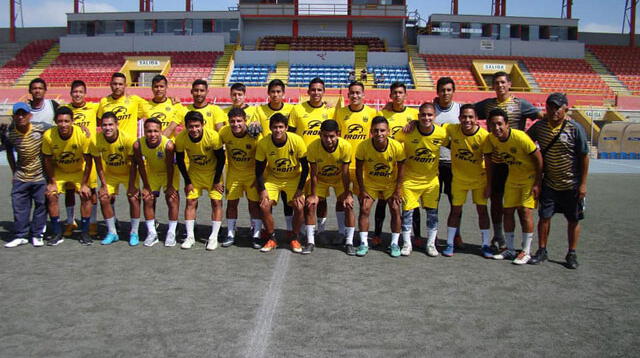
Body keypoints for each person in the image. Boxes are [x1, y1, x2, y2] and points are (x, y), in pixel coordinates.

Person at [476, 71, 542, 250]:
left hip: (518, 164)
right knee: (497, 202)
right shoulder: (488, 105)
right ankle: (499, 238)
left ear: (509, 84)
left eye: (503, 82)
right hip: (497, 162)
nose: (500, 86)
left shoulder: (520, 104)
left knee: (521, 207)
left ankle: (524, 244)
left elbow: (540, 117)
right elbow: (467, 111)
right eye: (496, 83)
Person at [527, 93, 589, 269]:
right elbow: (525, 142)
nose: (554, 111)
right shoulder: (539, 127)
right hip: (549, 183)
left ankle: (571, 253)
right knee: (544, 217)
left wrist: (583, 184)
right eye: (550, 107)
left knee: (573, 219)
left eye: (557, 107)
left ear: (565, 109)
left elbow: (584, 156)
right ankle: (542, 250)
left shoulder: (575, 128)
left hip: (572, 184)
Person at [483, 108, 543, 265]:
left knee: (524, 212)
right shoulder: (491, 139)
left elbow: (538, 158)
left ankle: (526, 251)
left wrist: (538, 183)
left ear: (507, 124)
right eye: (493, 125)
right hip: (512, 178)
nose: (497, 128)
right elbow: (489, 160)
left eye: (500, 124)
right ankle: (509, 248)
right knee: (507, 211)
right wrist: (489, 184)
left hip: (528, 178)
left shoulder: (520, 137)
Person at [394, 103, 447, 257]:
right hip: (410, 180)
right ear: (418, 117)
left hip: (431, 181)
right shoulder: (407, 131)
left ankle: (430, 244)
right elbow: (392, 142)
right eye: (423, 115)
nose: (426, 118)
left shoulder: (441, 133)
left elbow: (457, 144)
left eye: (430, 115)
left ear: (434, 117)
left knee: (432, 213)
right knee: (408, 213)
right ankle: (406, 243)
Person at [42, 107, 96, 246]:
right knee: (51, 195)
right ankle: (57, 232)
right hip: (60, 171)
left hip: (78, 170)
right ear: (55, 122)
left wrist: (84, 184)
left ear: (72, 121)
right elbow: (47, 160)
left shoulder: (82, 134)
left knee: (86, 195)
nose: (63, 124)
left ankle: (84, 232)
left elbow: (88, 162)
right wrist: (52, 181)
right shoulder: (48, 135)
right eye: (60, 121)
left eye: (67, 121)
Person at [443, 104, 492, 258]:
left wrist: (489, 184)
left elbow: (489, 163)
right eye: (464, 116)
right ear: (459, 118)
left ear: (477, 119)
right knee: (455, 211)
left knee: (482, 211)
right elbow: (434, 126)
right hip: (459, 180)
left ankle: (485, 245)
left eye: (471, 117)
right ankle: (450, 243)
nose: (467, 120)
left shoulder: (484, 137)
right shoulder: (452, 129)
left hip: (479, 179)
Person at [254, 113, 308, 253]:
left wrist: (300, 189)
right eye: (274, 127)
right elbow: (259, 170)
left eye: (280, 127)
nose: (277, 130)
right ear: (270, 128)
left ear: (286, 128)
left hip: (293, 178)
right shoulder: (264, 143)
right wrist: (263, 190)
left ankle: (295, 237)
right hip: (274, 178)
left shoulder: (297, 140)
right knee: (264, 205)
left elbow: (306, 168)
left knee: (299, 205)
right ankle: (272, 238)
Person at [289, 77, 335, 237]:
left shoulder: (330, 111)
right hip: (302, 162)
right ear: (308, 92)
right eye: (313, 90)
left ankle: (321, 229)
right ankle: (301, 228)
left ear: (324, 92)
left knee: (320, 199)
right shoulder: (297, 109)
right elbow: (291, 135)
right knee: (301, 198)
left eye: (319, 90)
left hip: (322, 162)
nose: (316, 92)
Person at [375, 82, 420, 247]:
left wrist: (416, 123)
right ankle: (378, 235)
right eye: (394, 93)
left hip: (407, 164)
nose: (397, 95)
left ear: (405, 95)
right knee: (382, 201)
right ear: (390, 95)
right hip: (386, 164)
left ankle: (417, 236)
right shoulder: (383, 113)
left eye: (400, 93)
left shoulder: (414, 115)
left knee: (409, 202)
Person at [355, 116, 405, 257]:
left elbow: (402, 168)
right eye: (376, 131)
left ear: (388, 131)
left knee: (395, 209)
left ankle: (394, 243)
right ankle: (364, 243)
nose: (379, 134)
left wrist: (398, 189)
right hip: (371, 183)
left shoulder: (396, 147)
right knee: (364, 208)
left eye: (382, 130)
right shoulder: (363, 146)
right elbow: (359, 169)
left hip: (390, 184)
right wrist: (362, 189)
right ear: (371, 131)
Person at [175, 111, 225, 250]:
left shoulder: (213, 136)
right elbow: (180, 160)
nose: (194, 130)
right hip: (195, 174)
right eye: (191, 126)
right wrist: (187, 181)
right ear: (186, 126)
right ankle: (190, 236)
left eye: (197, 126)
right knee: (190, 201)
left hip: (213, 173)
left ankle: (213, 237)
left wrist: (217, 181)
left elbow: (221, 159)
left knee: (216, 202)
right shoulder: (181, 138)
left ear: (203, 124)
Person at [251, 79, 296, 235]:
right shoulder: (259, 110)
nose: (275, 95)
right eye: (273, 92)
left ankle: (290, 229)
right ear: (268, 93)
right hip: (266, 159)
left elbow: (293, 133)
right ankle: (265, 229)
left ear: (283, 93)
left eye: (278, 92)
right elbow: (250, 121)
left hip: (286, 159)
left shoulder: (291, 109)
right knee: (264, 197)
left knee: (287, 198)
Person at [334, 81, 377, 240]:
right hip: (344, 164)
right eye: (352, 93)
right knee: (342, 200)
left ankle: (361, 235)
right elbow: (336, 137)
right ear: (348, 95)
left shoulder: (372, 113)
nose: (355, 96)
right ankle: (342, 232)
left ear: (363, 95)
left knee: (363, 202)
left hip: (362, 166)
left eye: (358, 93)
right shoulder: (340, 113)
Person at [91, 112, 141, 246]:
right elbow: (98, 164)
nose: (107, 128)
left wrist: (131, 185)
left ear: (117, 125)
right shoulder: (96, 140)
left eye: (110, 125)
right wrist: (103, 184)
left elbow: (133, 165)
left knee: (133, 197)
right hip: (110, 174)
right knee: (103, 197)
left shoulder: (128, 139)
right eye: (104, 125)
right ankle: (112, 232)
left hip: (128, 173)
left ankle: (134, 232)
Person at [304, 120, 354, 255]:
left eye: (332, 136)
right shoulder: (313, 147)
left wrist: (347, 194)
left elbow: (345, 172)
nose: (328, 139)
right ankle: (312, 239)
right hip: (321, 179)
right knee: (312, 204)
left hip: (339, 179)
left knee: (347, 205)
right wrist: (313, 195)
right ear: (320, 134)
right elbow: (313, 173)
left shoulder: (345, 146)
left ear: (337, 134)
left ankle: (347, 239)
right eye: (325, 136)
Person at [2, 103, 48, 248]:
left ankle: (37, 234)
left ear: (30, 115)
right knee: (19, 206)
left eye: (24, 114)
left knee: (41, 206)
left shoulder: (41, 128)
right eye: (18, 114)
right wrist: (14, 171)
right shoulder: (10, 133)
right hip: (21, 176)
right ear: (13, 116)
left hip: (39, 176)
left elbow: (59, 130)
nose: (21, 117)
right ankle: (21, 235)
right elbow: (9, 152)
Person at [218, 107, 263, 247]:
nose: (236, 124)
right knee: (232, 203)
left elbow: (261, 159)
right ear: (228, 122)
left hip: (251, 174)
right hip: (234, 173)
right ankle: (231, 233)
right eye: (232, 121)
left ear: (245, 121)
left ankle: (256, 234)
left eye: (239, 121)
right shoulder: (224, 133)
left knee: (253, 204)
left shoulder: (254, 135)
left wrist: (258, 178)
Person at [133, 117, 181, 247]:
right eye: (149, 131)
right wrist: (146, 186)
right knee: (147, 198)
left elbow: (170, 166)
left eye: (155, 131)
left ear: (161, 131)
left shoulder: (168, 145)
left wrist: (170, 186)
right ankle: (152, 233)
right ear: (144, 131)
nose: (152, 134)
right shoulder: (138, 144)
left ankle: (171, 232)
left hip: (168, 174)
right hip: (153, 173)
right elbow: (141, 166)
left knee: (172, 199)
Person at [65, 79, 99, 237]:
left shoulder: (93, 108)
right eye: (75, 92)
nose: (77, 94)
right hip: (71, 157)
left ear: (85, 94)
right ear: (71, 93)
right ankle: (70, 221)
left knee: (91, 191)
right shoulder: (65, 110)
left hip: (89, 155)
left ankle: (93, 222)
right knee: (70, 191)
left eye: (80, 92)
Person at [434, 77, 463, 248]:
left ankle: (456, 234)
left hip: (455, 165)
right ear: (437, 92)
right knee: (433, 203)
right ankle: (434, 235)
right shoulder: (430, 110)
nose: (445, 93)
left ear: (453, 91)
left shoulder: (460, 110)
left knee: (456, 202)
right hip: (435, 165)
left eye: (449, 90)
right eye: (442, 90)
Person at [97, 72, 147, 139]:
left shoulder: (135, 100)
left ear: (125, 85)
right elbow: (100, 122)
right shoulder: (104, 101)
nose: (117, 87)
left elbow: (150, 109)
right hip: (110, 144)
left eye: (120, 84)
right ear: (110, 85)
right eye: (115, 84)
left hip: (129, 143)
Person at [143, 75, 185, 139]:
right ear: (152, 88)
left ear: (166, 87)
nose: (159, 89)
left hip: (170, 146)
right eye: (156, 87)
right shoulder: (145, 106)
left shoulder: (175, 105)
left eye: (161, 86)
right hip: (151, 146)